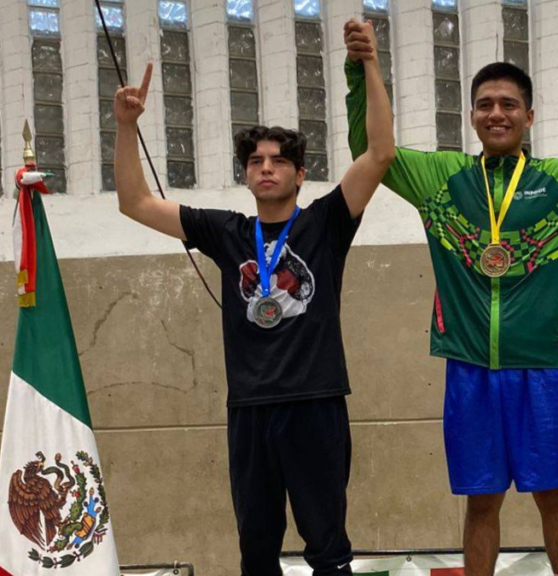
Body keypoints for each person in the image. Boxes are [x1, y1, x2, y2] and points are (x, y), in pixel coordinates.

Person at [344, 28, 558, 576]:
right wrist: (361, 69)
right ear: (471, 116)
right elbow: (370, 151)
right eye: (485, 104)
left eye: (509, 104)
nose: (497, 113)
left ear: (529, 117)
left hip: (545, 370)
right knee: (481, 502)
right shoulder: (439, 178)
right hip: (470, 371)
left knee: (554, 499)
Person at [112, 20, 393, 576]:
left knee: (327, 547)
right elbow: (135, 203)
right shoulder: (228, 232)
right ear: (246, 175)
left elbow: (380, 153)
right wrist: (124, 127)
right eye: (256, 162)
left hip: (315, 401)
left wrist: (371, 64)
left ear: (300, 173)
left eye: (279, 161)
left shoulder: (325, 223)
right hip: (250, 409)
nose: (266, 168)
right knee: (256, 547)